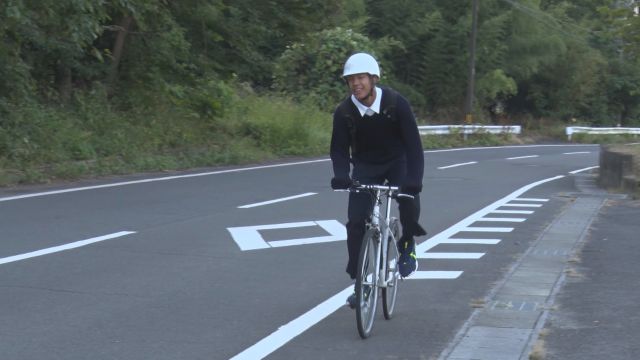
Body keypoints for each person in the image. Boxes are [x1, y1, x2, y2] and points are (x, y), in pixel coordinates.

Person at [329, 52, 426, 308]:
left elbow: (414, 147)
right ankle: (359, 280)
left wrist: (414, 180)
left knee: (408, 200)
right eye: (351, 79)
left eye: (360, 78)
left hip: (397, 162)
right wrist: (341, 175)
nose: (355, 84)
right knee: (355, 222)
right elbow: (338, 149)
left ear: (373, 79)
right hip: (365, 165)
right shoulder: (345, 111)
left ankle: (407, 243)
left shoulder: (396, 103)